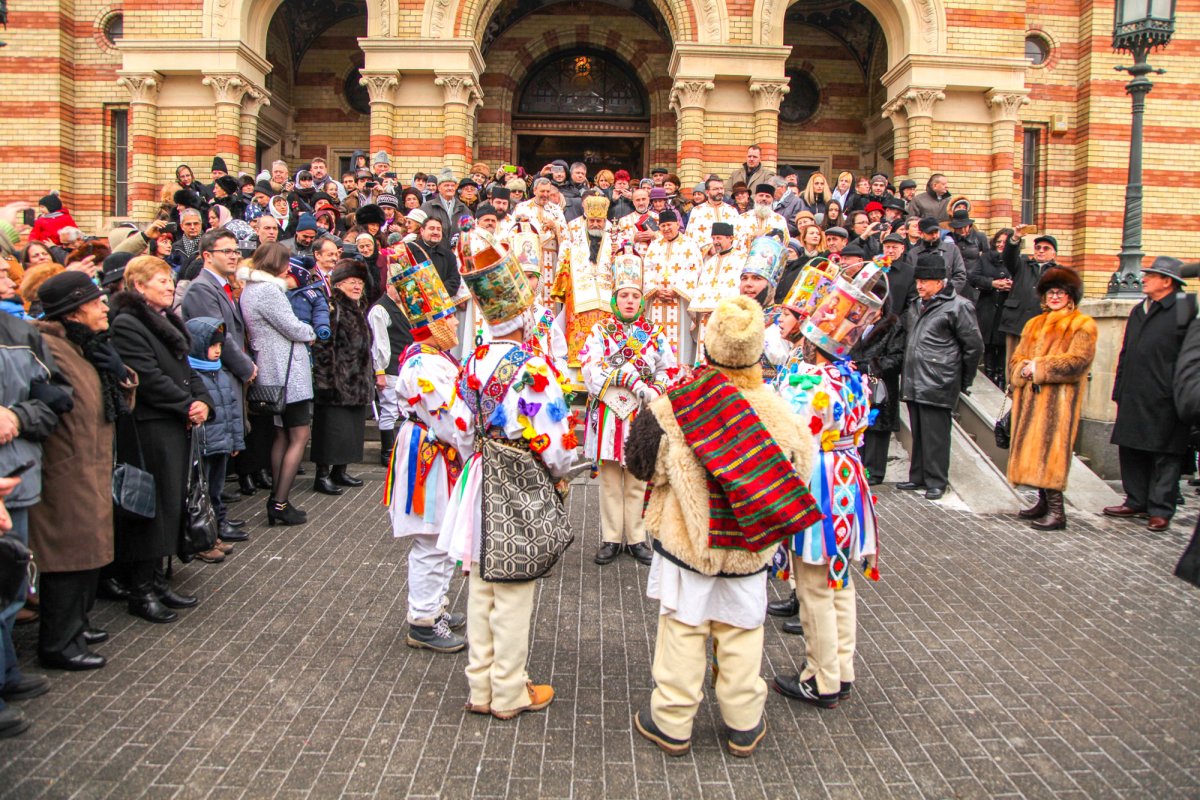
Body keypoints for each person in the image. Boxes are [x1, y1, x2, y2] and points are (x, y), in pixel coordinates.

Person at [624, 295, 822, 757]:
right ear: (756, 351)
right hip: (749, 549)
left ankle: (672, 720)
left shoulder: (675, 406)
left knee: (683, 629)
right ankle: (743, 722)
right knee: (742, 632)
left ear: (707, 346)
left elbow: (640, 464)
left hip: (689, 544)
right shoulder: (781, 414)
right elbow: (799, 475)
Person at [438, 262, 576, 722]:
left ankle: (480, 686)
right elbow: (555, 440)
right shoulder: (534, 365)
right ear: (522, 317)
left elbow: (458, 428)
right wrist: (560, 472)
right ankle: (510, 690)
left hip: (478, 474)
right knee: (514, 589)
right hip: (519, 477)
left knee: (481, 586)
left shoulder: (471, 361)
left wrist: (475, 454)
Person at [772, 275, 882, 709]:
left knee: (814, 582)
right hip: (848, 477)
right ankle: (842, 667)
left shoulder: (807, 381)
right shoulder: (853, 377)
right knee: (839, 581)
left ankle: (821, 678)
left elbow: (787, 432)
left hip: (816, 476)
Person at [31, 272, 136, 669]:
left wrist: (121, 372)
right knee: (66, 559)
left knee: (89, 554)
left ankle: (77, 626)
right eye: (96, 302)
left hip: (89, 462)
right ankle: (59, 642)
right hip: (65, 468)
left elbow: (114, 399)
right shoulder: (49, 349)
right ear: (75, 311)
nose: (104, 306)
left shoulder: (87, 346)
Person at [110, 256, 213, 622]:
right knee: (151, 510)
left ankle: (159, 580)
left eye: (170, 281)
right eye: (160, 281)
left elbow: (186, 369)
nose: (170, 287)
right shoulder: (127, 324)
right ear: (138, 286)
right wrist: (187, 405)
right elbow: (148, 378)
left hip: (174, 423)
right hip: (150, 426)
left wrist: (203, 401)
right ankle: (141, 590)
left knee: (171, 504)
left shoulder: (166, 319)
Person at [383, 256, 470, 652]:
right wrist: (474, 449)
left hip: (437, 453)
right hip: (431, 455)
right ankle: (422, 619)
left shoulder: (435, 359)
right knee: (432, 540)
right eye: (448, 318)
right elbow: (452, 421)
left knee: (441, 538)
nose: (455, 323)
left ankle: (435, 606)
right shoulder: (427, 365)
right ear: (433, 325)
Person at [0, 277, 71, 737]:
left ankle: (5, 672)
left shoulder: (18, 334)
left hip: (17, 477)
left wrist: (17, 416)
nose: (8, 282)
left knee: (8, 587)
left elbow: (55, 400)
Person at [580, 254, 675, 566]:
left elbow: (668, 369)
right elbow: (590, 368)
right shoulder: (599, 331)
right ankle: (610, 538)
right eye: (624, 296)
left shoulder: (655, 333)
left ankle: (636, 538)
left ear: (642, 300)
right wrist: (624, 377)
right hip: (609, 411)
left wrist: (656, 389)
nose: (630, 301)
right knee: (609, 480)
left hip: (640, 412)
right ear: (615, 299)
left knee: (637, 478)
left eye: (635, 296)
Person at [1104, 257, 1195, 531]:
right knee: (1131, 449)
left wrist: (1181, 391)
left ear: (1167, 281)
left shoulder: (1184, 308)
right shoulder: (1139, 310)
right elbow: (1126, 351)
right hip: (1134, 392)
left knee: (1165, 454)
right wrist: (1119, 388)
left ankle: (1160, 509)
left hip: (1167, 396)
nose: (1143, 278)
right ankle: (1136, 500)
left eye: (1151, 275)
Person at [1006, 268, 1097, 530]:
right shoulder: (1033, 324)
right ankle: (1043, 501)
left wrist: (1040, 367)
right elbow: (1016, 357)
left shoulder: (1082, 324)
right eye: (1050, 292)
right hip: (1031, 399)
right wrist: (1022, 368)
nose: (1055, 296)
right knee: (1033, 451)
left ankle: (1058, 511)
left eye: (1061, 292)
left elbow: (1078, 362)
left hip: (1059, 401)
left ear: (1071, 297)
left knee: (1051, 452)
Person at [239, 243, 317, 525]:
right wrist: (309, 332)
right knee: (299, 434)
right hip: (285, 371)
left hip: (272, 368)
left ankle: (279, 499)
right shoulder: (269, 290)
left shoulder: (250, 289)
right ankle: (279, 502)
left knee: (282, 435)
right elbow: (291, 326)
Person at [898, 253, 983, 500]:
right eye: (918, 281)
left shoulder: (959, 306)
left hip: (939, 379)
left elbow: (973, 346)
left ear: (940, 282)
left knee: (936, 434)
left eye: (925, 281)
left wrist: (964, 379)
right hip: (916, 377)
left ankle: (937, 480)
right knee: (920, 432)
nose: (919, 285)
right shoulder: (916, 304)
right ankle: (918, 477)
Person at [310, 260, 373, 495]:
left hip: (357, 379)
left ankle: (340, 471)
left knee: (350, 431)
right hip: (337, 380)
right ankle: (323, 474)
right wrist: (326, 380)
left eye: (359, 282)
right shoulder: (333, 307)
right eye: (351, 282)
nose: (356, 286)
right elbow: (324, 346)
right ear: (338, 284)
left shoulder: (359, 307)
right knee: (331, 430)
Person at [184, 317, 247, 550]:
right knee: (203, 490)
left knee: (217, 487)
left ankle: (219, 522)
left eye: (220, 346)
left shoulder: (221, 374)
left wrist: (235, 440)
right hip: (205, 444)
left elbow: (233, 410)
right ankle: (207, 529)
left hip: (221, 442)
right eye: (212, 346)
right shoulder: (195, 376)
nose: (217, 351)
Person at [367, 254, 413, 467]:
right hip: (390, 366)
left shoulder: (406, 306)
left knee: (402, 409)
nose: (400, 291)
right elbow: (380, 344)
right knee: (390, 409)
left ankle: (398, 450)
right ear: (388, 286)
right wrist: (380, 371)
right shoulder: (380, 309)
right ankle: (386, 452)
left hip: (404, 365)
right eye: (397, 286)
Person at [644, 208, 703, 366]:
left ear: (677, 224)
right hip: (656, 300)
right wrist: (656, 290)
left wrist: (675, 290)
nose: (666, 229)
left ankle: (680, 377)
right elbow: (647, 270)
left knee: (681, 342)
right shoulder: (654, 246)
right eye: (662, 226)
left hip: (680, 301)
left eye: (669, 225)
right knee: (654, 339)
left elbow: (694, 270)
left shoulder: (689, 245)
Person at [998, 232, 1066, 370]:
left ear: (1054, 254)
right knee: (1013, 363)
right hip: (1016, 322)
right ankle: (1011, 390)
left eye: (1045, 248)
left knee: (1035, 363)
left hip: (1042, 324)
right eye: (1038, 247)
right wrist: (1015, 238)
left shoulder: (1059, 272)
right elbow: (1008, 257)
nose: (1040, 251)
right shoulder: (1023, 265)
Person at [904, 216, 966, 295]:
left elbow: (960, 275)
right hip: (921, 299)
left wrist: (946, 293)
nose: (934, 236)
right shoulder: (913, 254)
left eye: (936, 232)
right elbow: (910, 280)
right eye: (930, 233)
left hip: (947, 299)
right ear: (921, 234)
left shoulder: (952, 250)